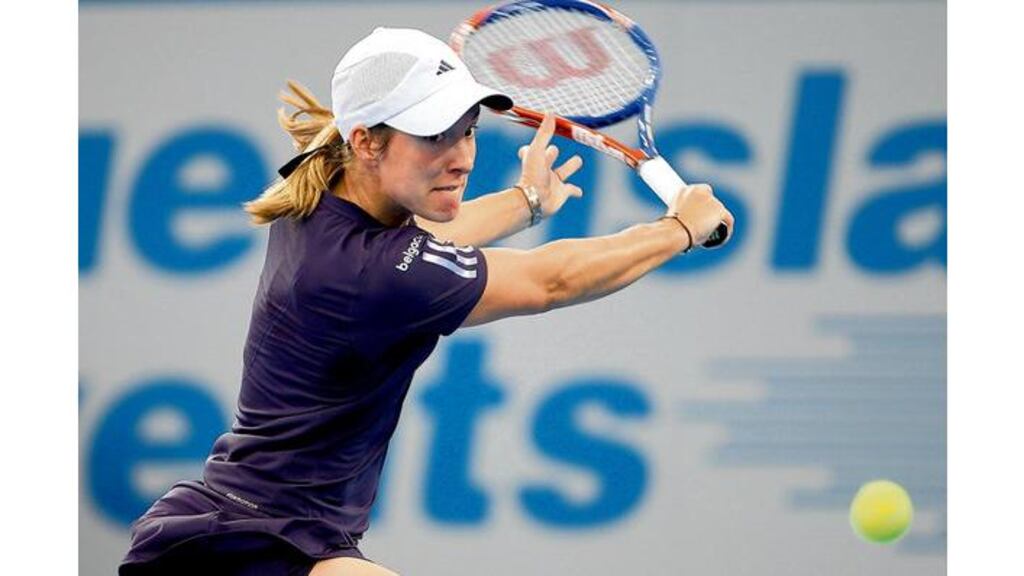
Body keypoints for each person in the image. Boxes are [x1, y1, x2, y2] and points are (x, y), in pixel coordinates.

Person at [119, 27, 733, 576]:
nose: (463, 155)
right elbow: (552, 280)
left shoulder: (322, 193)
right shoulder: (373, 274)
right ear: (365, 141)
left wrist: (526, 201)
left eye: (467, 130)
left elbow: (424, 241)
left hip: (244, 529)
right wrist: (677, 229)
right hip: (250, 546)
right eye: (435, 135)